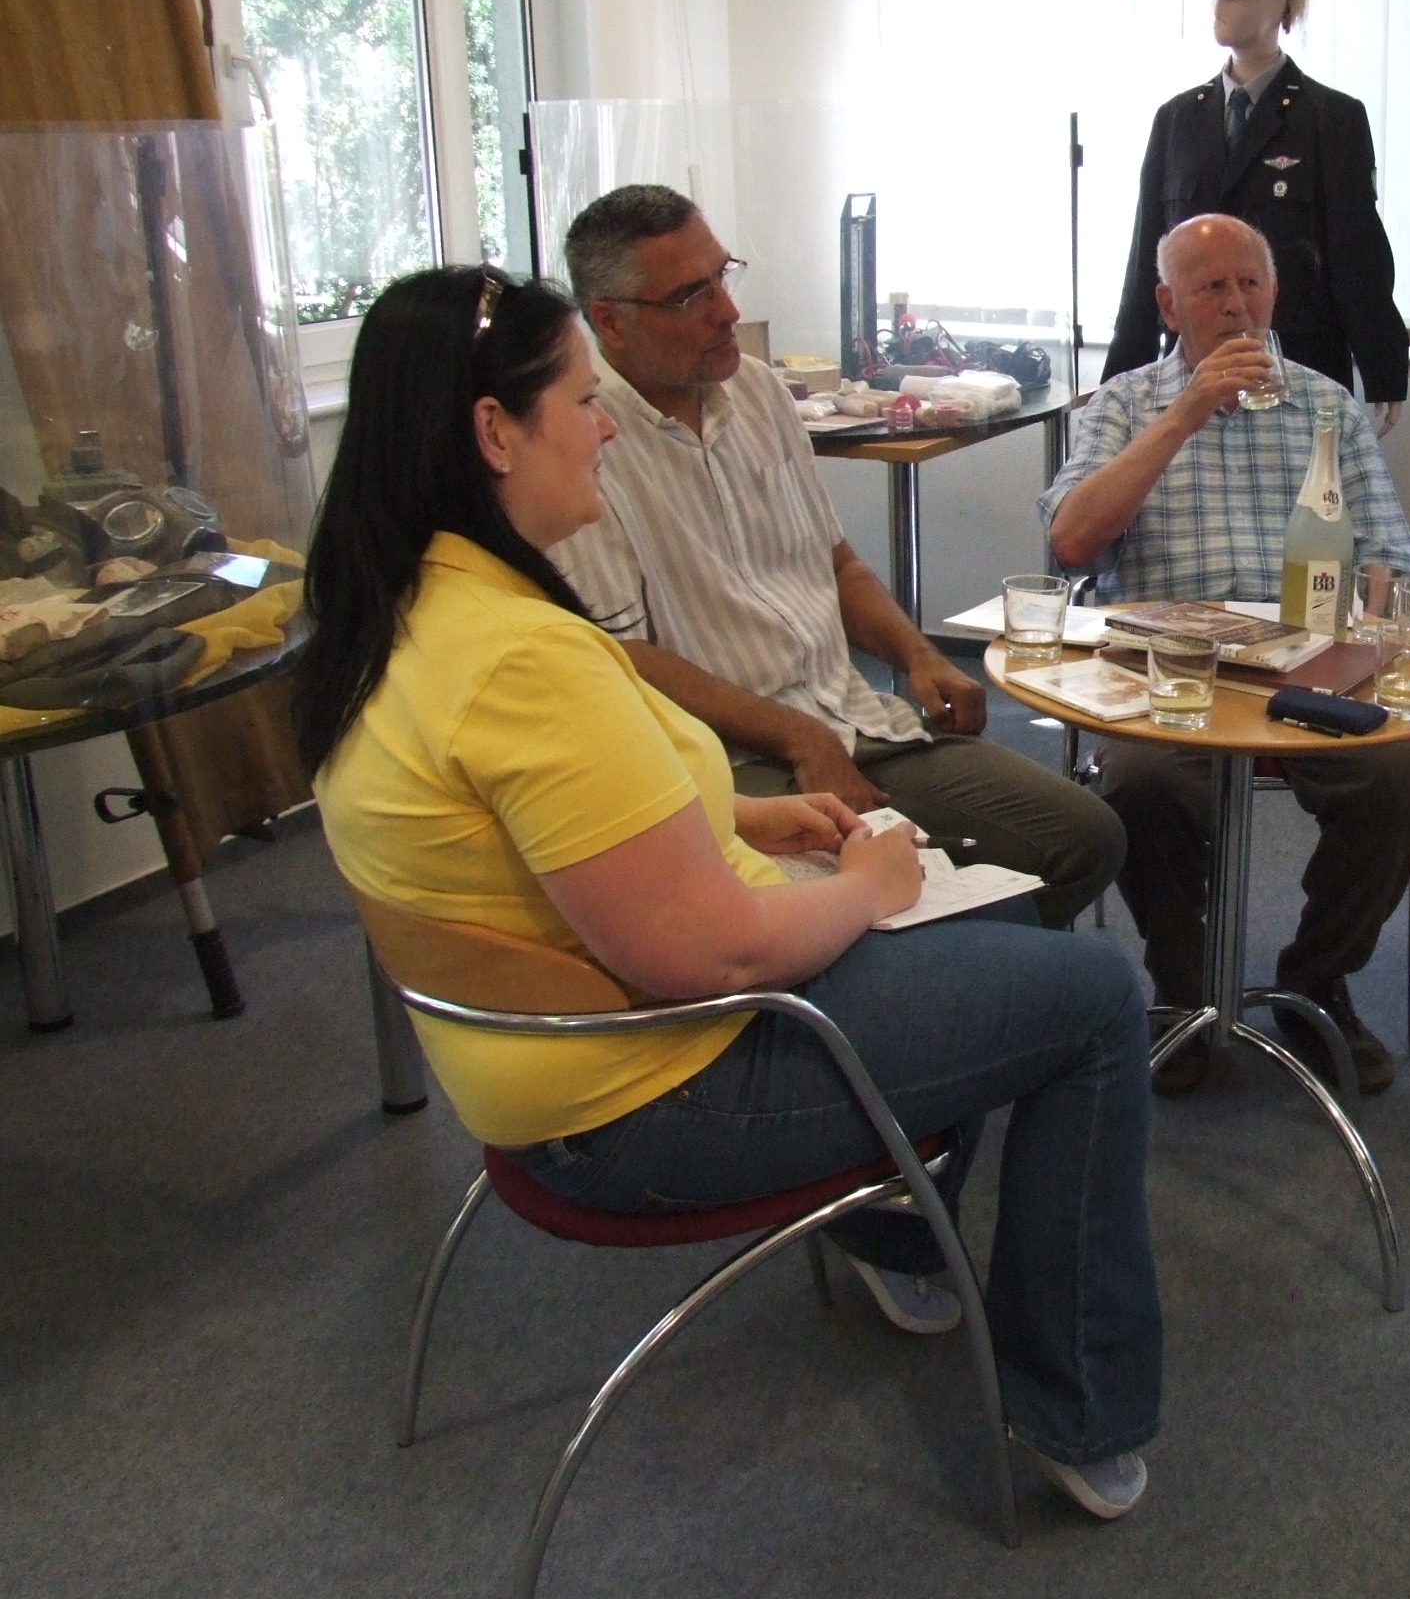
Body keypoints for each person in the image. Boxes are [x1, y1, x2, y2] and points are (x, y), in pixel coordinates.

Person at [300, 267, 1161, 1519]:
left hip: (550, 1070)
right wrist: (863, 884)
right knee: (1094, 997)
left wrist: (740, 816)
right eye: (580, 401)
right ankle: (1078, 1406)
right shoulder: (522, 658)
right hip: (655, 1093)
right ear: (495, 431)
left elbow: (534, 833)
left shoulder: (409, 608)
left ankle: (896, 1228)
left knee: (1005, 920)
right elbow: (715, 956)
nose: (602, 427)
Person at [550, 184, 1124, 930]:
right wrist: (799, 738)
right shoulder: (584, 444)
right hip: (735, 765)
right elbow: (628, 660)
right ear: (609, 321)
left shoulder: (758, 393)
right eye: (692, 296)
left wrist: (918, 656)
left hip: (854, 719)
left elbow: (839, 565)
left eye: (722, 276)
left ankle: (970, 970)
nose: (726, 311)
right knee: (902, 912)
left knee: (1085, 838)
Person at [1045, 213, 1410, 1096]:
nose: (1235, 305)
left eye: (1250, 284)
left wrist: (1357, 646)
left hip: (1309, 662)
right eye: (1211, 287)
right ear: (1167, 305)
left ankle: (1315, 980)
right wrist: (1185, 413)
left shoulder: (1326, 403)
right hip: (1166, 670)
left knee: (1398, 780)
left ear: (1274, 294)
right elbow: (1070, 543)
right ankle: (1183, 988)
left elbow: (1389, 557)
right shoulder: (1123, 404)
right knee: (1142, 785)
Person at [1105, 0, 1410, 433]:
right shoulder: (1177, 119)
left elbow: (1357, 255)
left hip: (1296, 371)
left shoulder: (1330, 118)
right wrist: (1118, 378)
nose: (1223, 6)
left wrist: (1383, 366)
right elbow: (1146, 264)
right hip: (1191, 374)